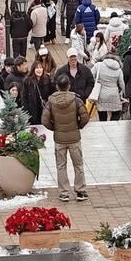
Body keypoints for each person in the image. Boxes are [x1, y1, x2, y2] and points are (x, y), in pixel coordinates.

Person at [42, 74, 90, 203]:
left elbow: (44, 120)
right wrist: (78, 126)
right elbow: (85, 117)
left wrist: (55, 128)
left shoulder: (51, 101)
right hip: (74, 138)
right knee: (78, 165)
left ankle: (64, 192)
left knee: (61, 166)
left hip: (59, 139)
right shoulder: (76, 100)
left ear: (57, 86)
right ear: (69, 85)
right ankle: (80, 191)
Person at [92, 49, 125, 121]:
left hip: (101, 94)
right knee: (116, 113)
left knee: (102, 115)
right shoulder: (118, 69)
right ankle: (112, 128)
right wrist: (125, 94)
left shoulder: (98, 65)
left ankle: (104, 128)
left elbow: (91, 76)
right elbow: (122, 83)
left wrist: (95, 83)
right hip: (114, 94)